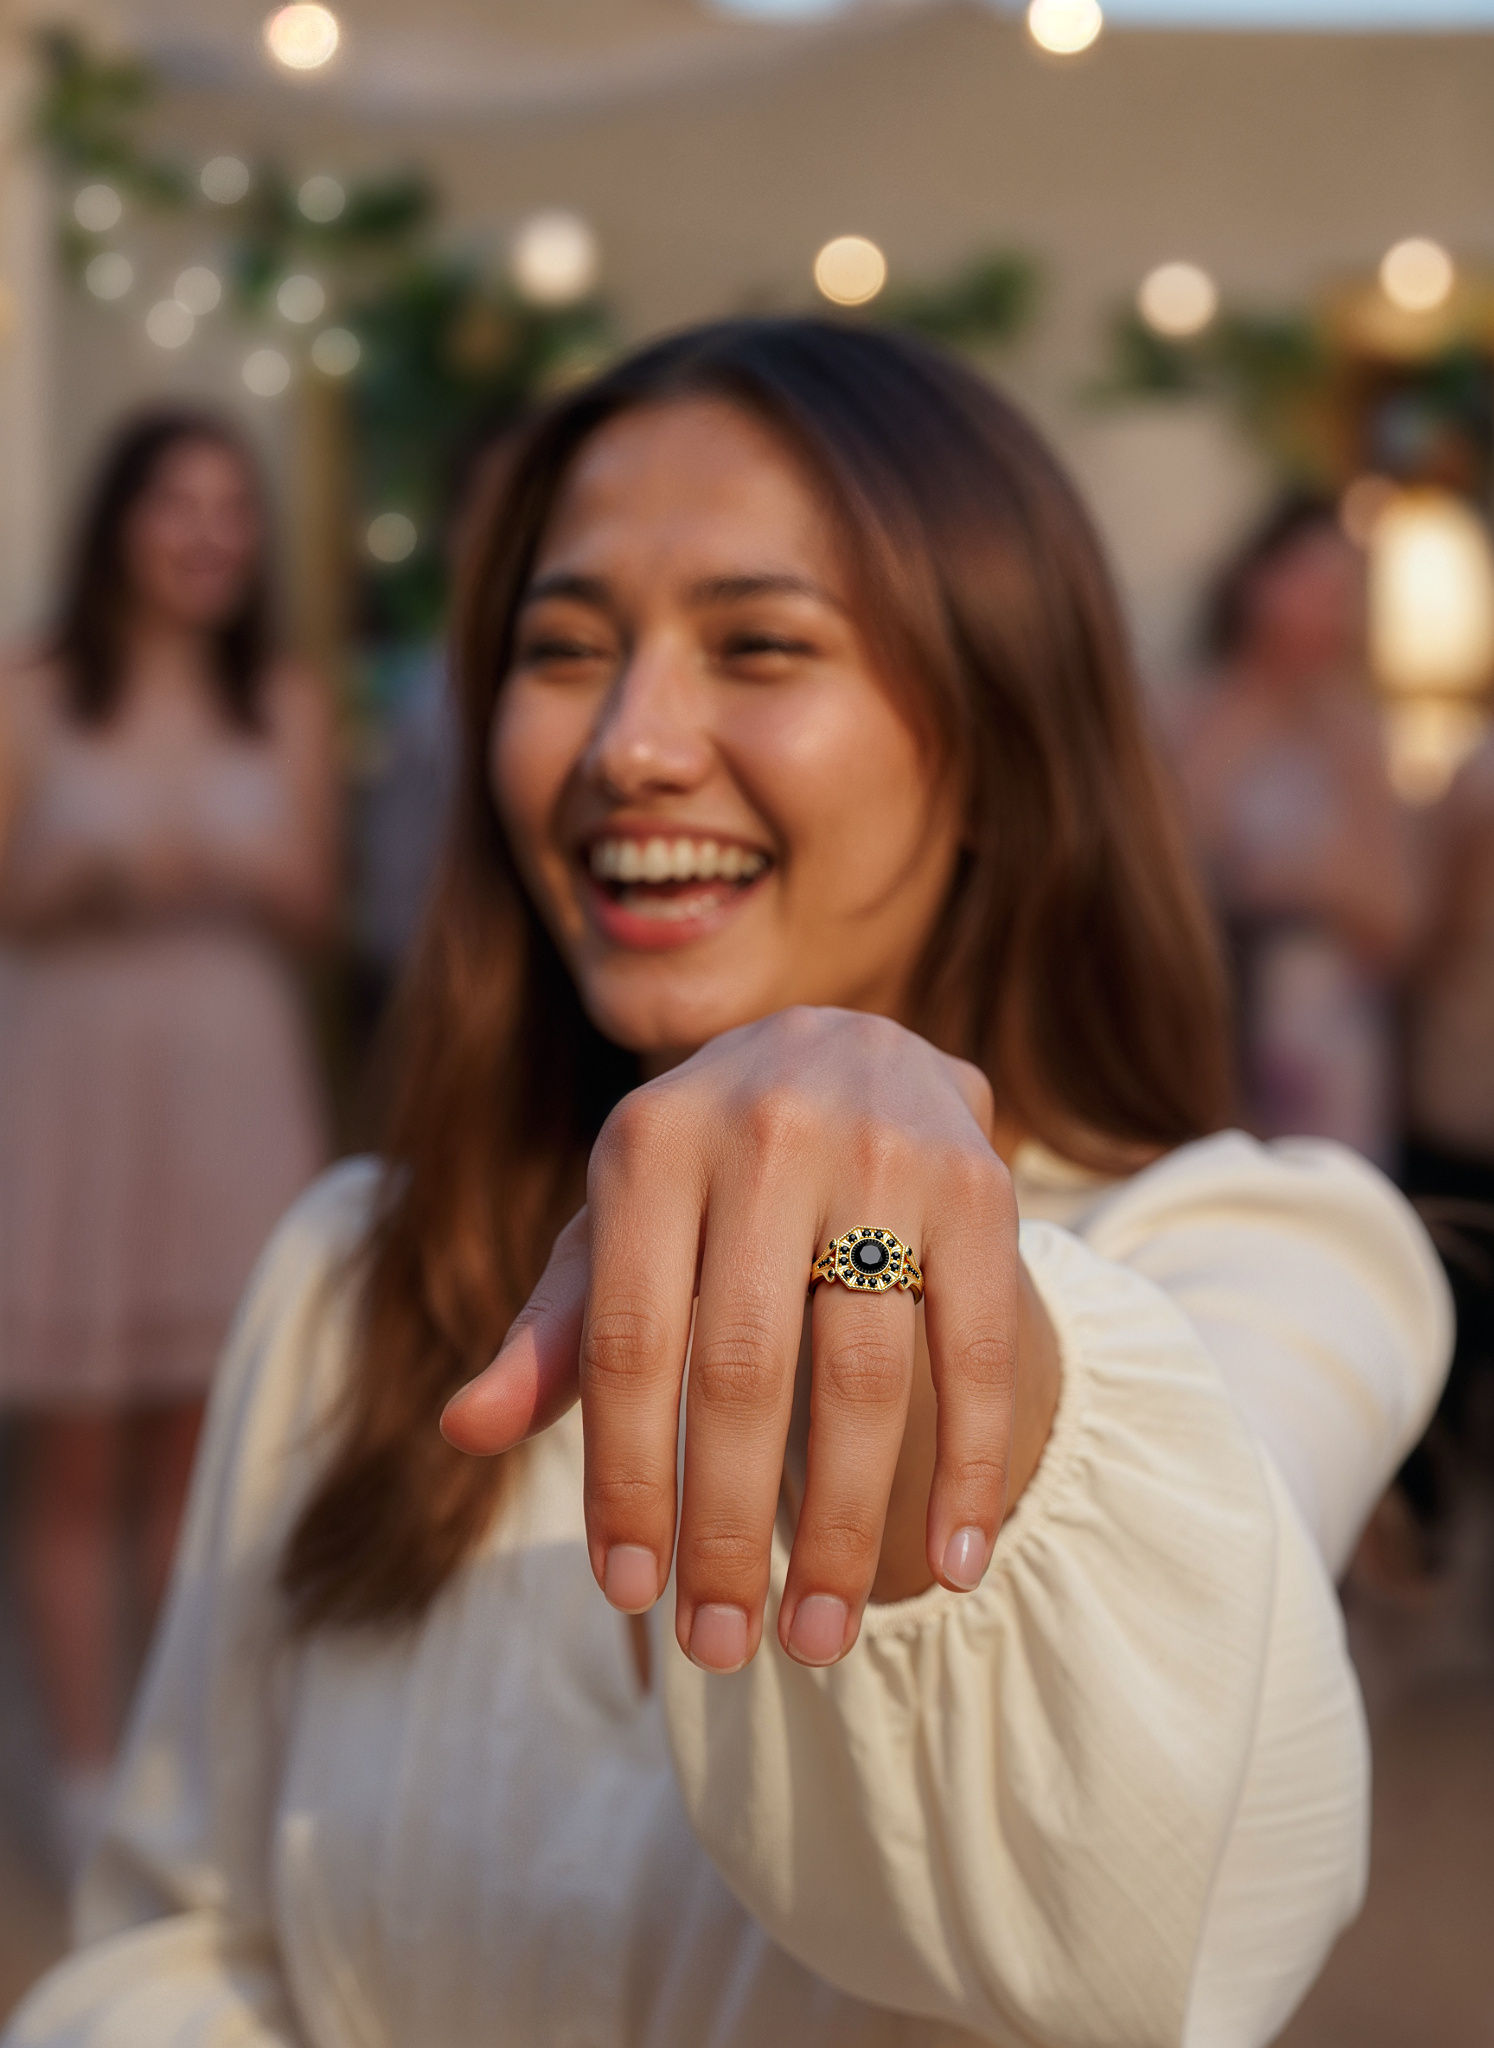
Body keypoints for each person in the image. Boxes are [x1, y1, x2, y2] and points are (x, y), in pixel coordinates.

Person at [5, 324, 1449, 2048]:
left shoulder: (1272, 1258)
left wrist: (874, 1222)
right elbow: (187, 1935)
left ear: (992, 736)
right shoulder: (350, 1274)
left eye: (758, 643)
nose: (631, 740)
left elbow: (1106, 1913)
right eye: (560, 648)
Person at [0, 409, 335, 1866]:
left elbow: (322, 904)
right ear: (120, 521)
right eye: (175, 504)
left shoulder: (288, 697)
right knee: (75, 1450)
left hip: (228, 1081)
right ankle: (83, 1773)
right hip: (77, 1085)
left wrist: (236, 865)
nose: (206, 534)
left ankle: (176, 1765)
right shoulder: (32, 691)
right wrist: (92, 875)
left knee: (209, 1445)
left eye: (230, 508)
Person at [1175, 494, 1418, 1166]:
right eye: (1314, 582)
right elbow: (1167, 862)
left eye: (1343, 592)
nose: (1329, 608)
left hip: (1320, 1033)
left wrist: (1297, 883)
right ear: (1259, 579)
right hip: (1209, 1021)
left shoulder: (1354, 733)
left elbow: (1395, 916)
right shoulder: (1193, 712)